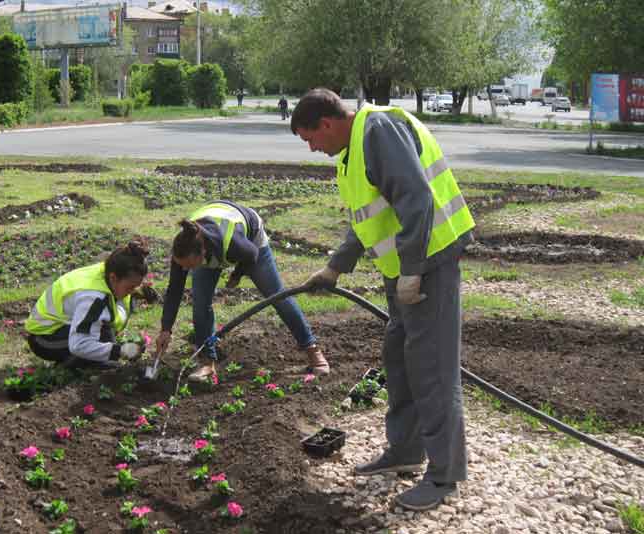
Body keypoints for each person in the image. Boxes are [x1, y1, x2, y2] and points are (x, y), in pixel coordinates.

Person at [292, 88, 475, 511]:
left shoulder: (378, 131)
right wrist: (336, 267)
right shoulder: (354, 151)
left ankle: (445, 475)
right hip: (403, 272)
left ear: (327, 123)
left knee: (432, 368)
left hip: (429, 264)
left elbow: (416, 198)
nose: (313, 148)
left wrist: (413, 269)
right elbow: (368, 216)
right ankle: (406, 451)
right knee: (400, 359)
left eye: (310, 138)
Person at [155, 200, 328, 382]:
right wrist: (166, 329)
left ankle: (314, 352)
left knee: (277, 296)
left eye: (190, 266)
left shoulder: (235, 244)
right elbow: (175, 289)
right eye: (184, 267)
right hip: (211, 240)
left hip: (251, 238)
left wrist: (237, 275)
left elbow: (251, 255)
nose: (187, 270)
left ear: (202, 253)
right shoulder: (183, 249)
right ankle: (207, 362)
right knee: (200, 302)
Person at [24, 241, 149, 369]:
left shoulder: (110, 269)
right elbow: (79, 345)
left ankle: (86, 363)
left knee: (104, 335)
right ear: (113, 278)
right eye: (131, 287)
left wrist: (139, 291)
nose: (134, 290)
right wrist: (120, 351)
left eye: (137, 285)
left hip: (60, 326)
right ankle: (68, 367)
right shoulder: (94, 298)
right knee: (103, 351)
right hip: (44, 338)